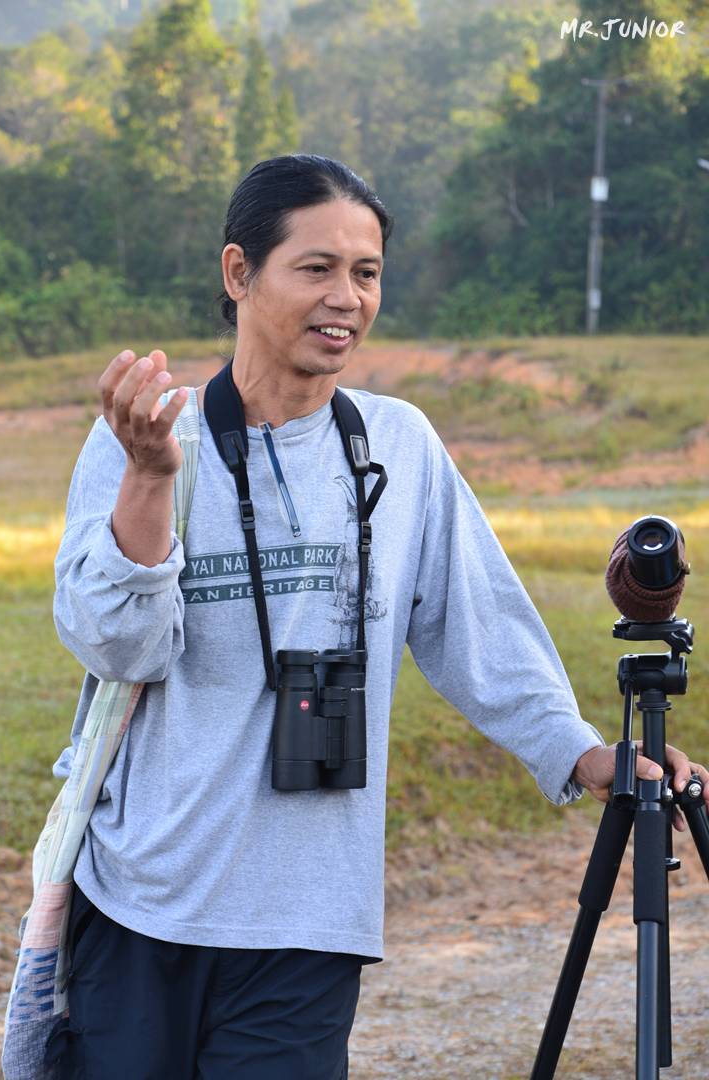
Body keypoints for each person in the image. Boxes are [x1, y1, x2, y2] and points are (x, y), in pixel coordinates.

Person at [50, 154, 709, 1079]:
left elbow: (478, 626)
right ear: (239, 272)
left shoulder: (400, 444)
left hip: (312, 915)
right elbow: (117, 646)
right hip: (143, 898)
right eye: (316, 268)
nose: (347, 298)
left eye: (367, 273)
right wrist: (152, 482)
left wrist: (580, 752)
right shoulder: (148, 438)